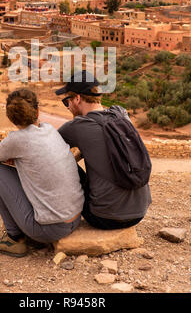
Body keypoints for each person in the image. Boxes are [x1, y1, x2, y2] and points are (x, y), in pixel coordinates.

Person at [0, 88, 84, 257]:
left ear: (11, 118)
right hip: (76, 218)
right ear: (37, 111)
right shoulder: (49, 129)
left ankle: (14, 238)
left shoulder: (16, 139)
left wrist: (13, 158)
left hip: (50, 230)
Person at [56, 70, 152, 230]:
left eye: (67, 101)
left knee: (65, 166)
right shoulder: (121, 115)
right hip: (139, 213)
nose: (68, 107)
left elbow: (46, 148)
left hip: (104, 218)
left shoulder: (77, 127)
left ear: (78, 99)